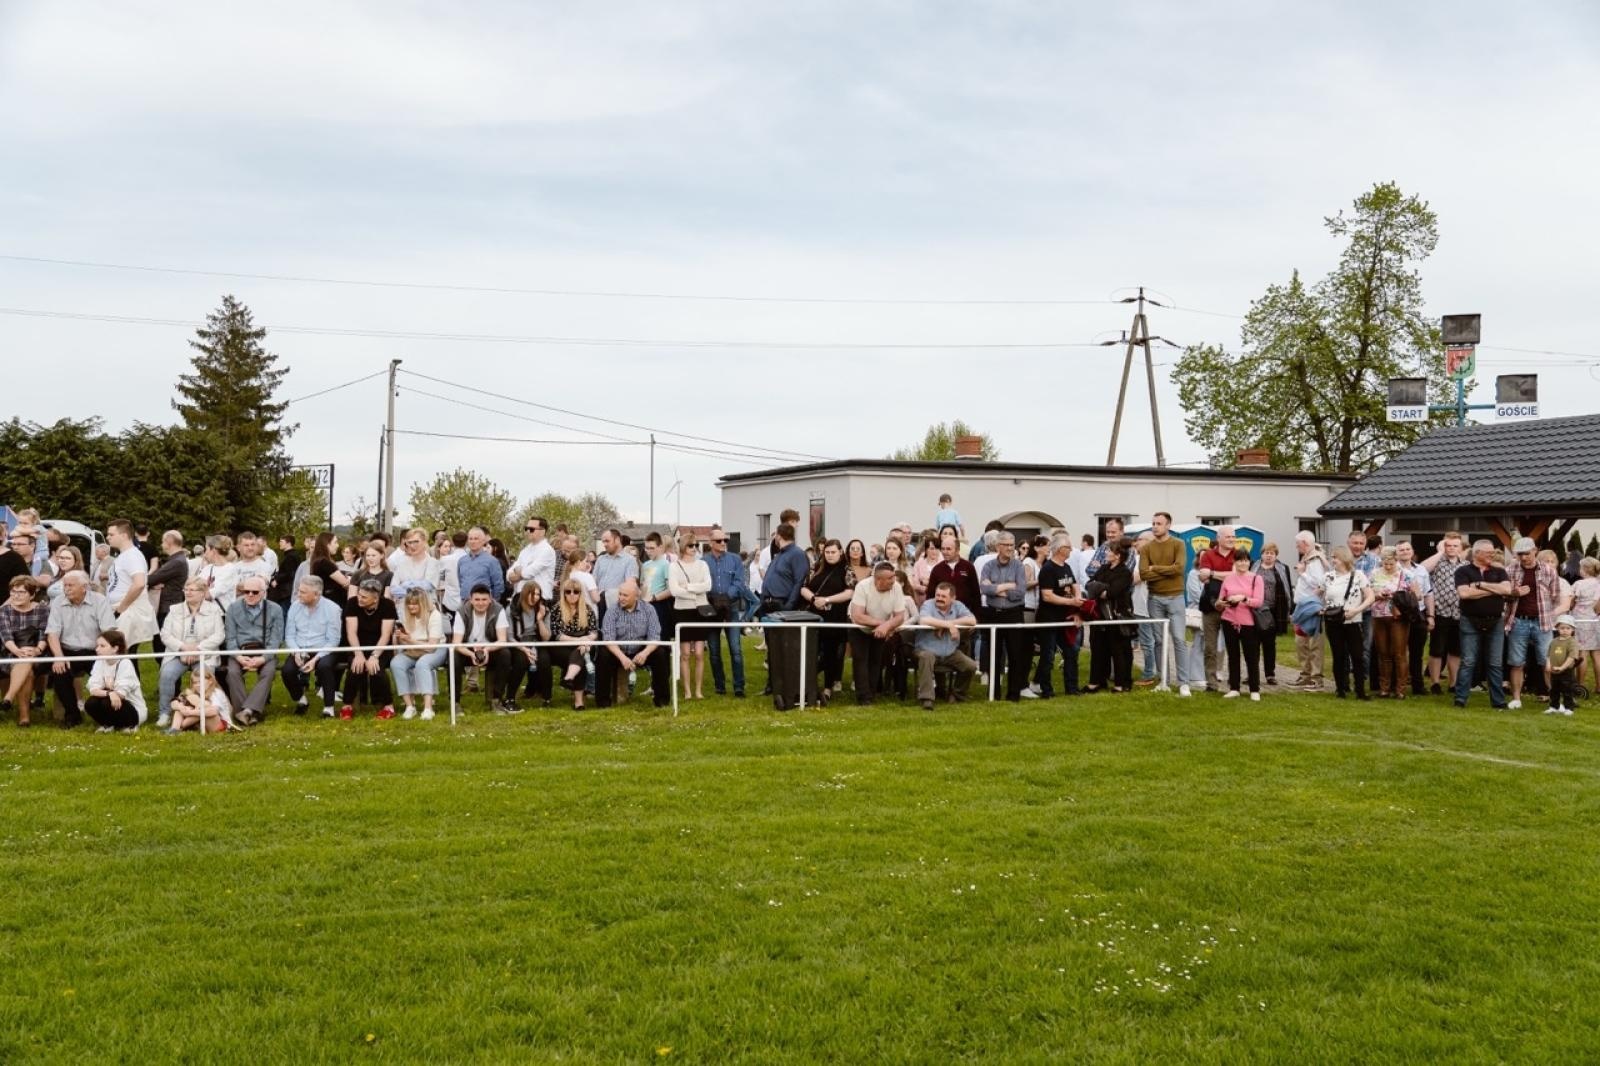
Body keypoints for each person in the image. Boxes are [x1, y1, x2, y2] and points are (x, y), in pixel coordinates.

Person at [45, 571, 115, 728]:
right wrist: (58, 657)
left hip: (94, 650)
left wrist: (104, 653)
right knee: (59, 673)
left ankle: (107, 712)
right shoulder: (57, 602)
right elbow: (52, 633)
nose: (66, 589)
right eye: (65, 585)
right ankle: (72, 714)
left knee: (106, 675)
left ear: (84, 587)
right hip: (67, 650)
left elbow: (108, 631)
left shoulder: (99, 601)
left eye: (71, 585)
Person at [155, 577, 226, 729]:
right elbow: (165, 635)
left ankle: (201, 711)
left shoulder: (213, 610)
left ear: (202, 593)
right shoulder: (175, 610)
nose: (188, 592)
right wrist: (183, 648)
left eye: (192, 590)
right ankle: (165, 713)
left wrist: (198, 649)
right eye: (186, 589)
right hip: (178, 653)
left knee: (204, 676)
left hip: (204, 653)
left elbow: (219, 635)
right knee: (167, 674)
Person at [1502, 536, 1562, 711]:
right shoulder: (1510, 570)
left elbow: (1555, 596)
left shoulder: (1549, 571)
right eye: (1519, 554)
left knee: (1547, 661)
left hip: (1542, 622)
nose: (1523, 557)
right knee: (1516, 661)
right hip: (1518, 620)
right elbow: (1503, 595)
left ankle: (1554, 699)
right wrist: (1514, 593)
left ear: (1535, 551)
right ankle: (1516, 699)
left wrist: (1547, 611)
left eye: (1526, 554)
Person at [1451, 539, 1512, 710]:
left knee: (1495, 662)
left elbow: (1507, 590)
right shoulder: (1463, 571)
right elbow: (1464, 594)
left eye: (1493, 552)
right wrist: (1493, 590)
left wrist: (1481, 585)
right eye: (1488, 552)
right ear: (1477, 553)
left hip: (1495, 621)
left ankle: (1498, 701)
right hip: (1470, 620)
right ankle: (1460, 699)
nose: (1492, 555)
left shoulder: (1499, 571)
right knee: (1468, 661)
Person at [597, 579, 670, 709]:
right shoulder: (612, 610)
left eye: (625, 595)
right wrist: (622, 658)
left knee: (661, 653)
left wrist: (645, 653)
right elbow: (608, 638)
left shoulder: (649, 609)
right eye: (620, 594)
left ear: (636, 596)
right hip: (618, 651)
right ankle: (603, 702)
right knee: (603, 654)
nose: (621, 598)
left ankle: (662, 700)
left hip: (640, 650)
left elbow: (655, 637)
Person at [1141, 512, 1191, 696]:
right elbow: (1144, 574)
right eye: (1153, 523)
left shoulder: (1178, 544)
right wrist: (1165, 571)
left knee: (1179, 639)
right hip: (1154, 598)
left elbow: (1179, 569)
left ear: (1168, 525)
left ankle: (1183, 683)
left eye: (1159, 523)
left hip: (1176, 597)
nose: (1155, 526)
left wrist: (1156, 568)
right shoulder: (1147, 548)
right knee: (1159, 641)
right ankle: (1164, 681)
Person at [222, 575, 282, 727]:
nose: (249, 595)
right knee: (232, 672)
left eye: (254, 592)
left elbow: (275, 641)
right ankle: (250, 712)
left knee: (268, 672)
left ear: (263, 592)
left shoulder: (275, 609)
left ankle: (246, 710)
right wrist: (239, 657)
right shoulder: (233, 608)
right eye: (245, 591)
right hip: (240, 651)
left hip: (265, 651)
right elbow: (230, 639)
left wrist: (263, 658)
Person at [847, 560, 909, 705]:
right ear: (878, 580)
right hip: (859, 627)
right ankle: (863, 697)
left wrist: (887, 625)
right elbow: (858, 616)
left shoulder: (897, 588)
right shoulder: (863, 587)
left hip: (881, 625)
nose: (893, 580)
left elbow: (900, 616)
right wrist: (883, 624)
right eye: (890, 578)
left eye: (893, 577)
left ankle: (871, 694)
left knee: (876, 660)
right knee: (861, 659)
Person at [980, 532, 1033, 700]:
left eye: (1012, 544)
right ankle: (993, 694)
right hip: (993, 615)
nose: (1010, 548)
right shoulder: (988, 566)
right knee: (993, 656)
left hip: (1013, 614)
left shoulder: (1018, 566)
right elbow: (985, 589)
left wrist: (996, 589)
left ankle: (1013, 694)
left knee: (1015, 655)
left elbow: (1020, 592)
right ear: (998, 547)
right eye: (1006, 545)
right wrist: (1007, 586)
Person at [283, 575, 345, 717]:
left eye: (303, 592)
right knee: (287, 671)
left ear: (316, 594)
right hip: (300, 648)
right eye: (299, 591)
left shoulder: (333, 609)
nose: (298, 594)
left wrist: (315, 659)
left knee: (324, 667)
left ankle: (328, 708)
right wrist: (296, 652)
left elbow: (333, 641)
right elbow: (290, 635)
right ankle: (301, 700)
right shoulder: (294, 606)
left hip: (325, 649)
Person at [1030, 535, 1083, 698]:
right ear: (1061, 550)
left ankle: (1072, 688)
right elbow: (1047, 596)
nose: (1071, 550)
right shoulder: (1048, 569)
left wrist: (1077, 606)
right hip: (1049, 618)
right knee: (1048, 655)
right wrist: (1071, 603)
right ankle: (1046, 690)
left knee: (1071, 651)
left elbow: (1075, 586)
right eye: (1069, 547)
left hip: (1065, 618)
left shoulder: (1066, 567)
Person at [451, 584, 517, 713]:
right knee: (453, 657)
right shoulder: (461, 611)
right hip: (467, 649)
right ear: (471, 600)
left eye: (484, 599)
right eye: (477, 600)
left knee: (505, 654)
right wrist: (471, 654)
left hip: (490, 647)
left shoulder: (498, 610)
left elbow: (502, 640)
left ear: (490, 599)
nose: (480, 603)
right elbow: (457, 643)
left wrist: (487, 650)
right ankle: (455, 702)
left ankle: (496, 700)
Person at [914, 582, 978, 710]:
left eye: (943, 596)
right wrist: (948, 626)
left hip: (950, 653)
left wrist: (949, 623)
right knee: (926, 657)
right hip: (926, 650)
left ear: (953, 598)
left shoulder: (958, 605)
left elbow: (972, 620)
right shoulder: (928, 604)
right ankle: (927, 699)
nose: (939, 598)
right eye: (938, 595)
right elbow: (924, 620)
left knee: (971, 666)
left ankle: (957, 694)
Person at [340, 577, 398, 720]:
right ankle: (347, 705)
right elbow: (351, 632)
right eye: (359, 594)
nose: (360, 598)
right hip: (356, 644)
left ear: (376, 598)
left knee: (376, 670)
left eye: (364, 597)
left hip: (380, 645)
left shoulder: (388, 605)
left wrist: (374, 656)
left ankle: (388, 705)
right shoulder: (352, 603)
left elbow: (386, 634)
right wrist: (358, 654)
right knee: (355, 668)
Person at [1321, 546, 1374, 700]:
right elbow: (1318, 594)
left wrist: (1357, 610)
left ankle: (1360, 690)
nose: (1333, 561)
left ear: (1344, 559)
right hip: (1333, 621)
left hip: (1352, 620)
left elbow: (1370, 597)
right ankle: (1340, 688)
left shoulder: (1358, 575)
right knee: (1338, 655)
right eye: (1332, 558)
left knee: (1357, 655)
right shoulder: (1328, 577)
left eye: (1335, 558)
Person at [1085, 538, 1136, 693]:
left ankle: (1122, 683)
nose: (1106, 553)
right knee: (1098, 648)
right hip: (1100, 615)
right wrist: (1103, 589)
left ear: (1118, 555)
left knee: (1119, 649)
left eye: (1109, 551)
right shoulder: (1104, 569)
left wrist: (1102, 589)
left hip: (1117, 615)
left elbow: (1113, 592)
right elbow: (1090, 585)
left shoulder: (1124, 573)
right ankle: (1097, 681)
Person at [392, 587, 449, 720]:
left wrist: (410, 640)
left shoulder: (434, 614)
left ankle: (428, 708)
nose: (411, 606)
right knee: (396, 663)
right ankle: (409, 706)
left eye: (415, 603)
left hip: (436, 648)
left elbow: (431, 647)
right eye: (409, 603)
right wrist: (400, 638)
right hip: (413, 648)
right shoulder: (404, 615)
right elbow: (405, 645)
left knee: (422, 664)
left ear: (422, 603)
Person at [704, 527, 748, 699]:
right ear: (710, 543)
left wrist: (726, 597)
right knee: (714, 650)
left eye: (725, 540)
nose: (723, 543)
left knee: (736, 649)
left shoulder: (735, 559)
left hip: (732, 608)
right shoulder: (703, 561)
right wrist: (713, 600)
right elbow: (701, 583)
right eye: (719, 540)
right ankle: (719, 686)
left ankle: (739, 686)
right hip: (711, 609)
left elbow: (739, 582)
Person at [1422, 532, 1468, 695]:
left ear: (1461, 547)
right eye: (1448, 545)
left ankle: (1453, 683)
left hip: (1459, 613)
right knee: (1436, 649)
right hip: (1440, 612)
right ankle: (1435, 682)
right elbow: (1423, 568)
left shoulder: (1466, 565)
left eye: (1455, 545)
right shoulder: (1437, 562)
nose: (1451, 548)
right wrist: (1440, 552)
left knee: (1455, 651)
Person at [1216, 550, 1265, 700]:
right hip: (1229, 620)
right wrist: (1221, 603)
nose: (1243, 563)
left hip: (1249, 623)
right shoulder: (1228, 579)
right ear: (1234, 562)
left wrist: (1243, 598)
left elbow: (1258, 601)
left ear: (1249, 562)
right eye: (1239, 560)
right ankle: (1234, 687)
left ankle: (1254, 689)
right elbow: (1220, 600)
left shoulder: (1256, 578)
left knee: (1251, 656)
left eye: (1245, 560)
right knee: (1233, 655)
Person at [1, 576, 50, 724]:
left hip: (38, 652)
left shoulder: (42, 609)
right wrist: (17, 651)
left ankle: (9, 697)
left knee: (28, 658)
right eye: (13, 592)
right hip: (10, 651)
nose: (16, 595)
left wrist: (37, 650)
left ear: (32, 595)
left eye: (21, 592)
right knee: (27, 671)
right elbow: (6, 636)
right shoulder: (4, 610)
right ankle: (24, 716)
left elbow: (44, 634)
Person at [103, 519, 157, 654]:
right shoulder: (124, 555)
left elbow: (139, 583)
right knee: (122, 656)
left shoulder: (132, 555)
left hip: (128, 611)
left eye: (111, 534)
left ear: (124, 535)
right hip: (122, 610)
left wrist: (121, 609)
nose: (107, 537)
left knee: (121, 654)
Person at [1195, 526, 1238, 692]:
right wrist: (1227, 574)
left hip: (1232, 606)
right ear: (1218, 538)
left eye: (1233, 537)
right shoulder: (1208, 554)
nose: (1231, 540)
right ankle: (1211, 684)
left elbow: (1237, 574)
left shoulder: (1239, 554)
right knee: (1210, 648)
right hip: (1210, 606)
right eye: (1228, 537)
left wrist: (1212, 574)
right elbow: (1202, 574)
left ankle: (1233, 683)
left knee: (1232, 647)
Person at [669, 539, 713, 700]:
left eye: (695, 545)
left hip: (700, 610)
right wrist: (696, 590)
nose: (694, 548)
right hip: (682, 611)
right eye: (690, 545)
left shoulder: (703, 565)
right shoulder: (674, 566)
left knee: (700, 653)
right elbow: (674, 590)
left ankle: (698, 690)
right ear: (683, 547)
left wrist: (689, 587)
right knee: (685, 653)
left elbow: (708, 586)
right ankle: (687, 691)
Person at [83, 630, 147, 734]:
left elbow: (121, 694)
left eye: (102, 646)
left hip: (133, 708)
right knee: (91, 703)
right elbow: (93, 689)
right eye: (97, 646)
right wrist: (110, 693)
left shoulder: (125, 663)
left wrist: (110, 694)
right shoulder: (100, 662)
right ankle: (108, 724)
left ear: (115, 648)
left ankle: (129, 725)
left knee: (106, 702)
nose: (97, 649)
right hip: (111, 700)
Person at [551, 578, 598, 709]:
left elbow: (594, 632)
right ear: (563, 593)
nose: (572, 595)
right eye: (568, 591)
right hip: (562, 646)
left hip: (584, 646)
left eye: (576, 591)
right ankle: (578, 701)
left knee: (580, 654)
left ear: (580, 593)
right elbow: (557, 634)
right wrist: (580, 641)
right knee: (580, 656)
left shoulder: (588, 609)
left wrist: (586, 642)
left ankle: (569, 678)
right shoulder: (556, 609)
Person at [1250, 543, 1293, 686]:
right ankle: (1252, 673)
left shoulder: (1282, 568)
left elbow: (1288, 590)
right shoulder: (1253, 567)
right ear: (1261, 554)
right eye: (1266, 553)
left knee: (1269, 644)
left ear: (1276, 555)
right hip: (1254, 609)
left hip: (1273, 611)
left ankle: (1270, 674)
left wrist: (1290, 610)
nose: (1269, 555)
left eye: (1272, 553)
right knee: (1253, 643)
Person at [508, 582, 552, 709]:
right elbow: (509, 636)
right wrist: (524, 649)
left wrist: (539, 619)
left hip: (537, 641)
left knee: (544, 660)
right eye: (532, 594)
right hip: (518, 642)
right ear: (524, 594)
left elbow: (546, 637)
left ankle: (547, 698)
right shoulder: (512, 609)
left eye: (538, 594)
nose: (535, 597)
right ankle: (510, 697)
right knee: (521, 660)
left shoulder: (544, 609)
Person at [164, 664, 234, 735]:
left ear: (210, 681)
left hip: (220, 725)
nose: (197, 685)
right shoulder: (193, 691)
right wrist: (180, 707)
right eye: (195, 682)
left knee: (204, 707)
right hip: (201, 722)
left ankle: (181, 726)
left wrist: (190, 712)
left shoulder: (216, 692)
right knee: (181, 707)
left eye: (200, 682)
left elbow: (213, 712)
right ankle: (174, 729)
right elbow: (174, 702)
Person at [759, 523, 810, 616]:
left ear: (778, 536)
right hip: (768, 604)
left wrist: (788, 606)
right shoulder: (780, 554)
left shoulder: (797, 553)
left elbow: (799, 581)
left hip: (781, 604)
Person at [592, 528, 639, 621]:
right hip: (599, 605)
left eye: (607, 541)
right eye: (603, 542)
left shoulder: (629, 560)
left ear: (617, 540)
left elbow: (630, 586)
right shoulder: (600, 559)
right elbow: (593, 582)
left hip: (617, 607)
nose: (604, 544)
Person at [508, 515, 558, 601]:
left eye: (531, 529)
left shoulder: (547, 550)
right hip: (521, 598)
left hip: (539, 600)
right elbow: (509, 575)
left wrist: (520, 572)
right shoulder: (525, 550)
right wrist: (519, 574)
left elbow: (527, 573)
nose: (527, 531)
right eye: (526, 528)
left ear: (542, 532)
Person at [389, 527, 444, 606]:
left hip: (425, 609)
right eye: (409, 542)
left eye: (416, 542)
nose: (412, 545)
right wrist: (414, 588)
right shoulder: (401, 563)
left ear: (424, 541)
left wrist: (405, 584)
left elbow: (428, 585)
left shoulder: (432, 563)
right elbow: (393, 589)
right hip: (404, 609)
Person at [1569, 557, 1600, 689]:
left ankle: (1580, 685)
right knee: (1596, 653)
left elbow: (1571, 602)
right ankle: (1599, 686)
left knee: (1582, 653)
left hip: (1581, 621)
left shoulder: (1579, 584)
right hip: (1596, 620)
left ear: (1585, 570)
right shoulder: (1599, 584)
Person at [196, 535, 240, 612]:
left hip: (221, 616)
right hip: (205, 614)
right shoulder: (208, 568)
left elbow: (209, 595)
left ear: (213, 551)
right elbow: (192, 588)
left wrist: (200, 589)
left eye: (206, 549)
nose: (205, 553)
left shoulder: (230, 570)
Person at [1546, 615, 1580, 716]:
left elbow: (1572, 657)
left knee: (1567, 690)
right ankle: (1554, 706)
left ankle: (1569, 708)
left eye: (1568, 628)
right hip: (1554, 671)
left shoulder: (1572, 642)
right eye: (1562, 628)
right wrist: (1548, 665)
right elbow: (1548, 654)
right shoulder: (1554, 641)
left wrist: (1562, 667)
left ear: (1572, 629)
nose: (1565, 630)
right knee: (1554, 690)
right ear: (1557, 628)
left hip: (1566, 671)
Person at [309, 532, 352, 610]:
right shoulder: (325, 562)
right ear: (327, 544)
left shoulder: (317, 560)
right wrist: (350, 580)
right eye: (335, 542)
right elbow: (344, 582)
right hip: (332, 603)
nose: (338, 545)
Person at [269, 534, 304, 611]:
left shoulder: (291, 556)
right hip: (288, 590)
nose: (279, 543)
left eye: (281, 541)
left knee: (284, 613)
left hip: (287, 592)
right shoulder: (291, 555)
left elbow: (289, 573)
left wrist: (276, 580)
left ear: (288, 543)